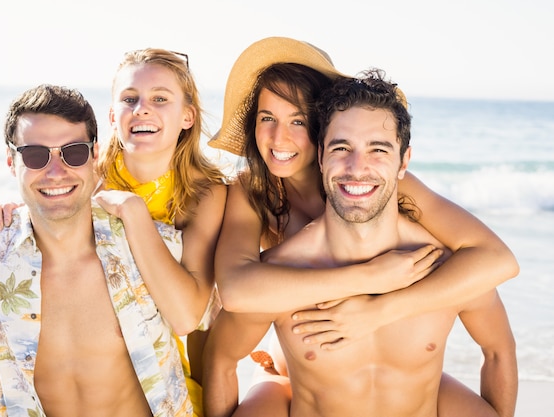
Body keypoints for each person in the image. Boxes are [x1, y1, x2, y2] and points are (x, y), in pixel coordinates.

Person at [203, 37, 519, 416]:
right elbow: (237, 290)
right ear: (326, 152)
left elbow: (496, 260)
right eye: (266, 119)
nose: (279, 137)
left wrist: (380, 309)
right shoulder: (254, 191)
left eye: (298, 120)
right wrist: (369, 277)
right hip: (303, 353)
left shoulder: (391, 189)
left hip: (382, 359)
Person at [0, 49, 228, 416]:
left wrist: (134, 213)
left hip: (162, 350)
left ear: (188, 115)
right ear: (113, 116)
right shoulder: (86, 173)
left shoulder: (205, 193)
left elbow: (184, 318)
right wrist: (13, 209)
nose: (142, 108)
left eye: (160, 98)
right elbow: (42, 187)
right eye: (130, 99)